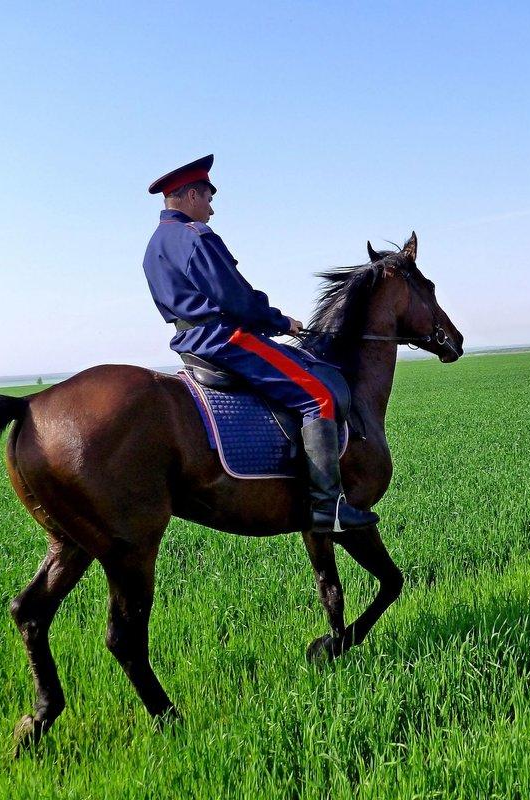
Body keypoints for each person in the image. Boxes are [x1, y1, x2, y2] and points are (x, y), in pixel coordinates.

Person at [141, 155, 379, 534]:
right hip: (224, 339)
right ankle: (327, 509)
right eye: (207, 198)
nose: (212, 209)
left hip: (190, 340)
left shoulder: (154, 245)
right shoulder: (195, 237)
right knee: (319, 396)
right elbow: (236, 298)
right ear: (188, 196)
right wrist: (280, 321)